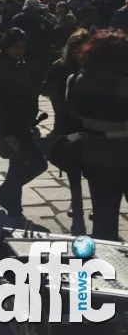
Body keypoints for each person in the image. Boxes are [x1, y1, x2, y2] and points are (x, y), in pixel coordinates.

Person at [67, 29, 128, 241]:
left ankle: (105, 265)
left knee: (103, 219)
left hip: (96, 156)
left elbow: (74, 117)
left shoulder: (76, 81)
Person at [0, 28, 47, 219]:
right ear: (7, 46)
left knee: (17, 166)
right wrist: (7, 133)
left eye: (23, 47)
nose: (20, 50)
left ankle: (13, 206)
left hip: (21, 124)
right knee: (37, 164)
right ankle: (4, 194)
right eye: (16, 47)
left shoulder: (17, 64)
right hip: (10, 127)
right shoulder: (0, 69)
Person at [42, 28, 90, 234]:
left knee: (92, 169)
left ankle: (93, 205)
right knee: (73, 169)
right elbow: (49, 91)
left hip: (88, 124)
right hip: (67, 124)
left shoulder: (94, 67)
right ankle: (76, 204)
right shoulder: (60, 67)